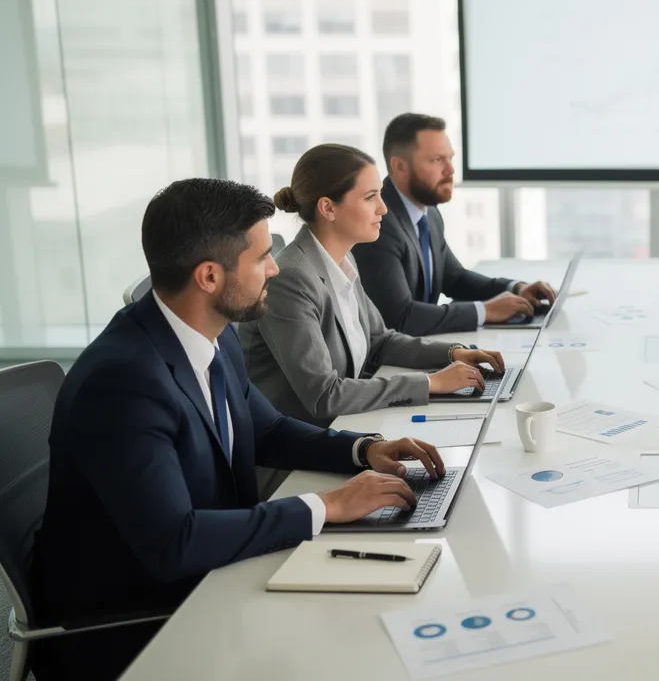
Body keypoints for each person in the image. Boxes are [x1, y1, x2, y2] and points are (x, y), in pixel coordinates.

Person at [29, 179, 448, 681]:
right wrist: (328, 506)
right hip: (139, 621)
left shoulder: (212, 335)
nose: (275, 267)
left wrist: (363, 449)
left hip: (215, 572)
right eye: (261, 258)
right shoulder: (122, 382)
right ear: (209, 276)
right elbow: (173, 542)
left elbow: (267, 431)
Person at [239, 144, 503, 433]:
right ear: (328, 208)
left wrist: (453, 353)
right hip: (299, 454)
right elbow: (324, 396)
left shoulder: (342, 258)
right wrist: (432, 383)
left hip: (347, 426)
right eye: (370, 197)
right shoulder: (292, 278)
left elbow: (380, 340)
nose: (384, 208)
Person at [352, 113, 555, 335]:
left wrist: (516, 288)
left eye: (450, 159)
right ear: (399, 166)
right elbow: (400, 317)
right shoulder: (379, 224)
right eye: (437, 160)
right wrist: (484, 311)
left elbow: (455, 278)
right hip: (388, 362)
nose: (450, 171)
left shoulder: (428, 212)